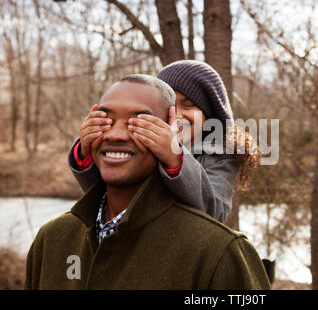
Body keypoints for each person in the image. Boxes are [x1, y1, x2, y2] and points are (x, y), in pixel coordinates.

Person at [24, 75, 270, 290]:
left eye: (140, 122)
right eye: (106, 120)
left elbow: (211, 210)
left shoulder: (222, 251)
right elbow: (113, 191)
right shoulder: (52, 240)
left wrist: (174, 155)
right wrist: (84, 154)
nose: (117, 133)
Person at [68, 60, 257, 223]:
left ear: (210, 115)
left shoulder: (222, 154)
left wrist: (175, 157)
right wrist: (86, 154)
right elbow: (106, 197)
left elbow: (214, 213)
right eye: (171, 106)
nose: (179, 114)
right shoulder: (145, 144)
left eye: (189, 105)